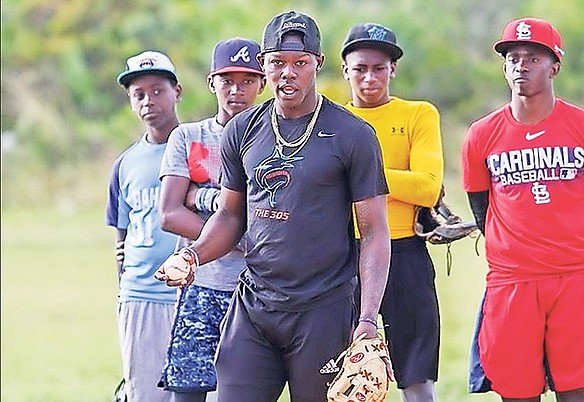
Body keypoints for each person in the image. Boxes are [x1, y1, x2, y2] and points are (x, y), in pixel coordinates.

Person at [155, 10, 391, 402]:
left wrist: (366, 321)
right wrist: (194, 257)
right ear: (264, 65)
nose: (289, 73)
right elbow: (232, 215)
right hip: (255, 306)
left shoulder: (353, 135)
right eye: (278, 62)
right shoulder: (243, 129)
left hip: (323, 308)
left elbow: (374, 233)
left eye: (300, 63)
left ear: (317, 64)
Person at [461, 18, 584, 402]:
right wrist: (517, 251)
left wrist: (572, 250)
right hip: (511, 282)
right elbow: (482, 208)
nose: (520, 66)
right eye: (513, 57)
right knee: (517, 389)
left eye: (533, 57)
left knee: (576, 388)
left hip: (573, 277)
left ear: (555, 66)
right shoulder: (481, 135)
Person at [156, 38, 266, 402]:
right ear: (211, 82)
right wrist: (231, 236)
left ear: (262, 83)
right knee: (188, 390)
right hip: (202, 283)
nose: (237, 91)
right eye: (227, 80)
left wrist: (200, 196)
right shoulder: (189, 136)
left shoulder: (274, 140)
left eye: (247, 81)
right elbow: (170, 213)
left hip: (256, 289)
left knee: (244, 391)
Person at [340, 22, 445, 402]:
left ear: (393, 70)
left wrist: (358, 174)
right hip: (344, 254)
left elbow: (428, 186)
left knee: (415, 370)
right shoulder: (333, 122)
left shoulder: (418, 115)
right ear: (344, 71)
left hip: (404, 253)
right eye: (360, 68)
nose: (370, 78)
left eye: (379, 68)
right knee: (347, 374)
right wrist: (395, 181)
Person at [105, 50, 182, 402]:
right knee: (147, 394)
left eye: (157, 90)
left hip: (194, 293)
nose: (149, 101)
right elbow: (121, 239)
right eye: (139, 94)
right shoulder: (126, 164)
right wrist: (127, 289)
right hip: (143, 296)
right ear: (130, 102)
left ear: (176, 92)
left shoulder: (201, 147)